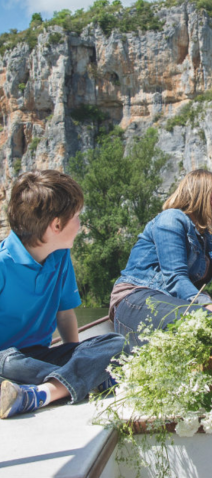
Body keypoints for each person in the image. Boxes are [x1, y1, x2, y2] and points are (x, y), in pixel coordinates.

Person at [0, 170, 125, 419]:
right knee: (14, 363)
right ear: (56, 225)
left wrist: (77, 355)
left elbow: (65, 314)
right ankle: (89, 380)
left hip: (40, 356)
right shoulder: (3, 264)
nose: (81, 224)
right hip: (7, 360)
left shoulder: (60, 256)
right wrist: (86, 365)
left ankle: (40, 393)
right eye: (77, 216)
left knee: (118, 343)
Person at [111, 169, 212, 349]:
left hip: (169, 303)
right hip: (136, 298)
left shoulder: (204, 237)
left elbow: (190, 289)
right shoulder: (171, 219)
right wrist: (209, 307)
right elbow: (176, 278)